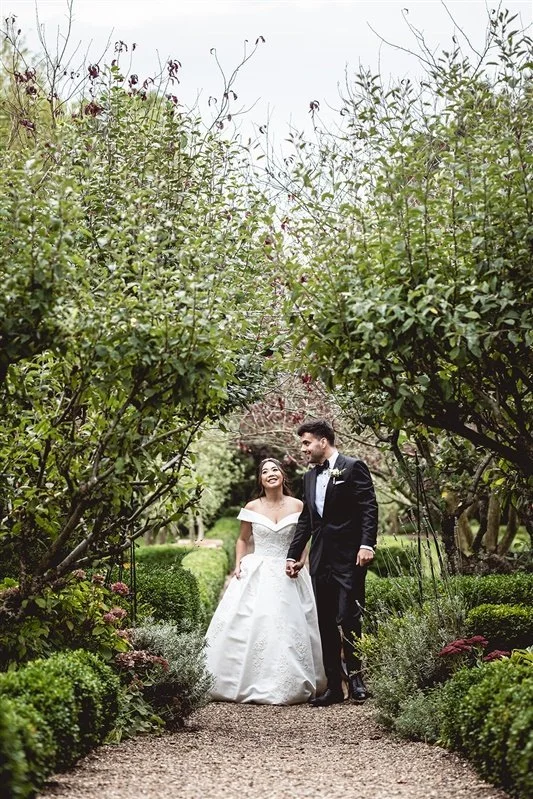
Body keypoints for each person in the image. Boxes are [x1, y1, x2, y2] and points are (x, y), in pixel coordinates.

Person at [205, 457, 326, 704]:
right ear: (260, 480)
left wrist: (301, 560)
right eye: (265, 471)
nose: (270, 473)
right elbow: (242, 539)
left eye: (275, 469)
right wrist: (238, 563)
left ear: (282, 475)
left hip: (289, 570)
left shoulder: (298, 505)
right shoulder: (252, 506)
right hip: (258, 570)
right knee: (255, 622)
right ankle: (246, 679)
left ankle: (292, 680)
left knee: (290, 625)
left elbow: (304, 538)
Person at [286, 419, 378, 707]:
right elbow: (307, 520)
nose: (303, 449)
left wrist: (367, 544)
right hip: (320, 559)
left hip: (350, 558)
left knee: (349, 617)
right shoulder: (309, 477)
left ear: (323, 441)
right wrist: (293, 554)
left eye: (306, 443)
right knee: (324, 622)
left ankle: (357, 680)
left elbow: (369, 507)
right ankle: (334, 687)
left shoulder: (353, 467)